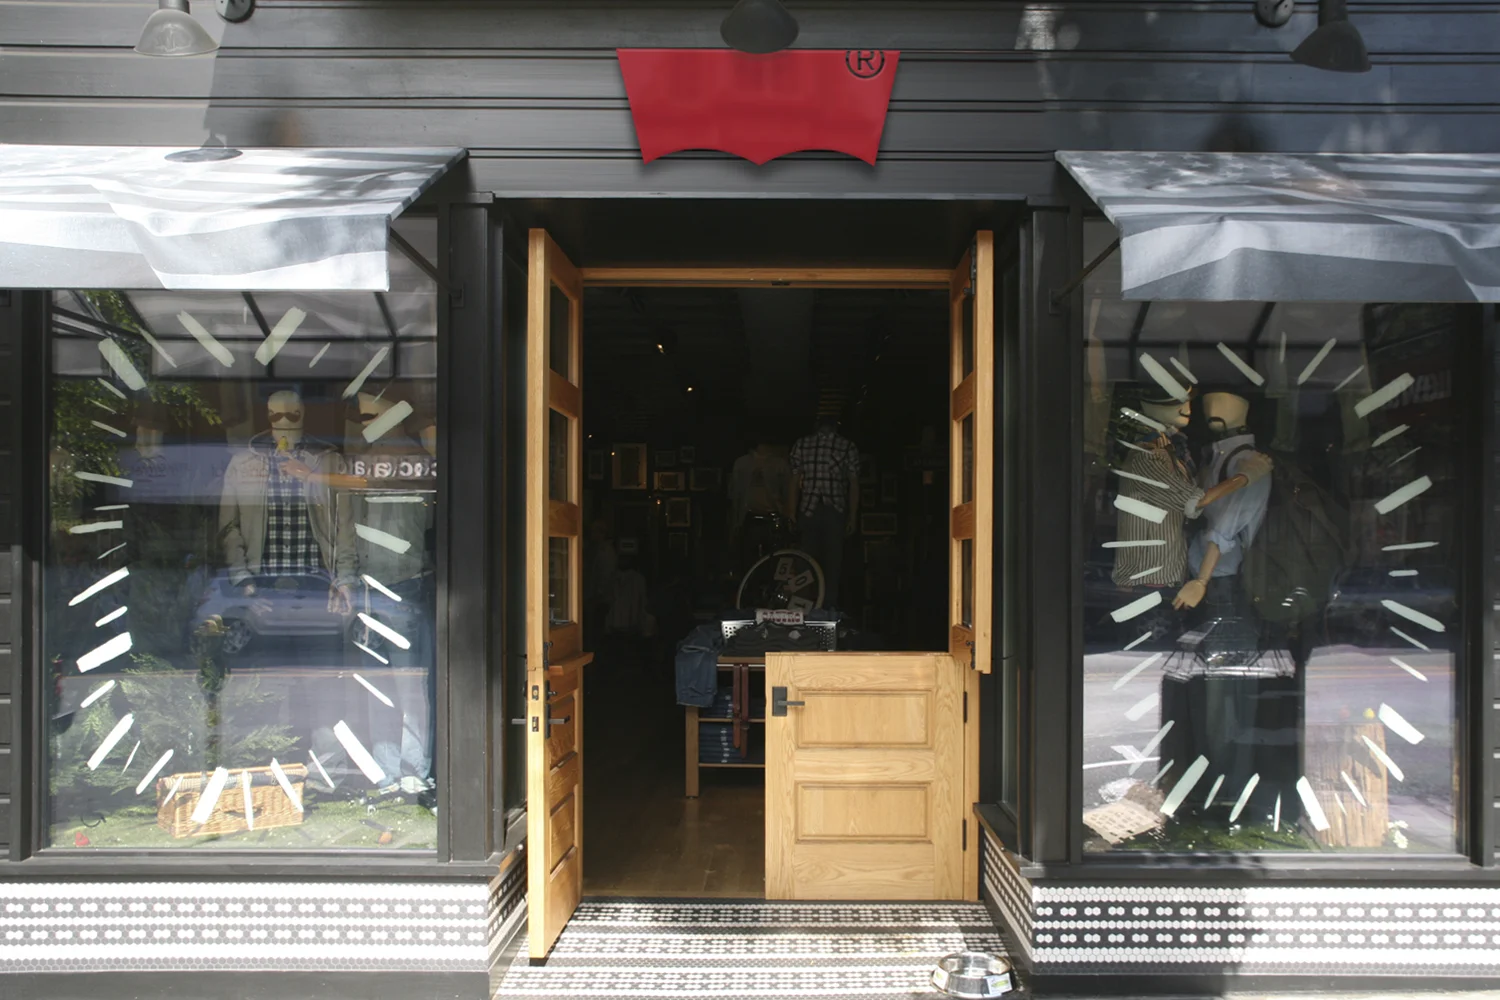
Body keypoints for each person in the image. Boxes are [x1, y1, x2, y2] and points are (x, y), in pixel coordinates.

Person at [790, 413, 860, 608]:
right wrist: (791, 511)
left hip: (824, 510)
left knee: (820, 562)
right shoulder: (844, 445)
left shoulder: (844, 446)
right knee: (822, 563)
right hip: (818, 509)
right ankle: (817, 606)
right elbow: (853, 484)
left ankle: (815, 607)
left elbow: (854, 484)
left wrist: (852, 516)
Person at [728, 431, 792, 576]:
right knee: (749, 561)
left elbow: (787, 493)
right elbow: (735, 495)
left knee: (773, 561)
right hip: (750, 517)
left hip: (772, 517)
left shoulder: (779, 464)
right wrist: (735, 523)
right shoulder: (742, 463)